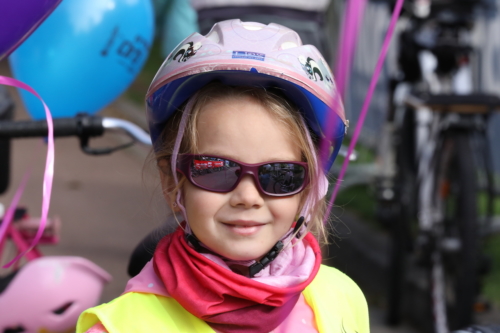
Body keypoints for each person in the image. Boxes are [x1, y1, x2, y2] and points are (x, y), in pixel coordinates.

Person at [77, 19, 368, 333]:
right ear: (172, 180)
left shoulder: (342, 299)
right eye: (215, 169)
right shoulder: (120, 327)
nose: (247, 197)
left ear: (308, 188)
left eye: (280, 175)